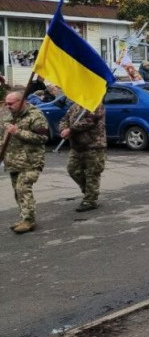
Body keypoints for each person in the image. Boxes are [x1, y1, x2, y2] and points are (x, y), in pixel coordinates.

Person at [4, 91, 49, 234]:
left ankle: (29, 221)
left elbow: (42, 138)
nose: (8, 106)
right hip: (14, 161)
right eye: (6, 103)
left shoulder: (35, 115)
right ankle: (24, 217)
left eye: (10, 103)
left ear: (21, 101)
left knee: (23, 188)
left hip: (31, 161)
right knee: (17, 192)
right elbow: (4, 138)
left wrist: (18, 132)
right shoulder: (10, 117)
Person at [58, 101, 107, 211]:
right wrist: (63, 129)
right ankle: (90, 192)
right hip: (77, 146)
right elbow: (64, 119)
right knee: (72, 169)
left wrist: (71, 129)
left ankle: (90, 201)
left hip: (94, 145)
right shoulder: (75, 106)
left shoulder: (96, 104)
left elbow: (90, 120)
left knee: (92, 173)